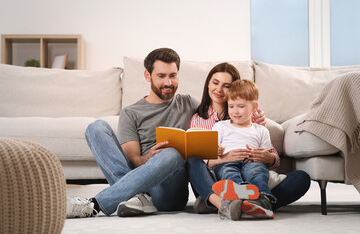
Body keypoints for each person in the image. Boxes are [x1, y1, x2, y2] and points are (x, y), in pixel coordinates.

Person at [66, 47, 199, 218]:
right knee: (96, 127)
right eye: (161, 76)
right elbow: (133, 161)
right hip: (142, 180)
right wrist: (150, 158)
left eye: (172, 75)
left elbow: (216, 118)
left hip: (169, 193)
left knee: (172, 153)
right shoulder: (131, 113)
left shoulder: (189, 103)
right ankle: (137, 198)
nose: (168, 83)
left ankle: (95, 204)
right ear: (147, 75)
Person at [186, 62, 311, 220]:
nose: (218, 89)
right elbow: (202, 161)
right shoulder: (200, 119)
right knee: (193, 160)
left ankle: (241, 204)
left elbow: (268, 150)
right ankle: (225, 202)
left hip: (253, 169)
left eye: (226, 86)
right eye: (215, 83)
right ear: (208, 83)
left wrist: (268, 157)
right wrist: (223, 158)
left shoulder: (252, 118)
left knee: (301, 178)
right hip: (217, 177)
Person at [212, 79, 276, 219]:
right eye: (231, 106)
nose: (235, 111)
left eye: (241, 106)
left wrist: (262, 156)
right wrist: (218, 152)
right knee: (227, 171)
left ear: (254, 107)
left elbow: (267, 153)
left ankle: (262, 200)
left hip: (251, 162)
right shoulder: (220, 127)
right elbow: (210, 154)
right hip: (227, 162)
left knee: (257, 172)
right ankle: (238, 196)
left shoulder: (261, 130)